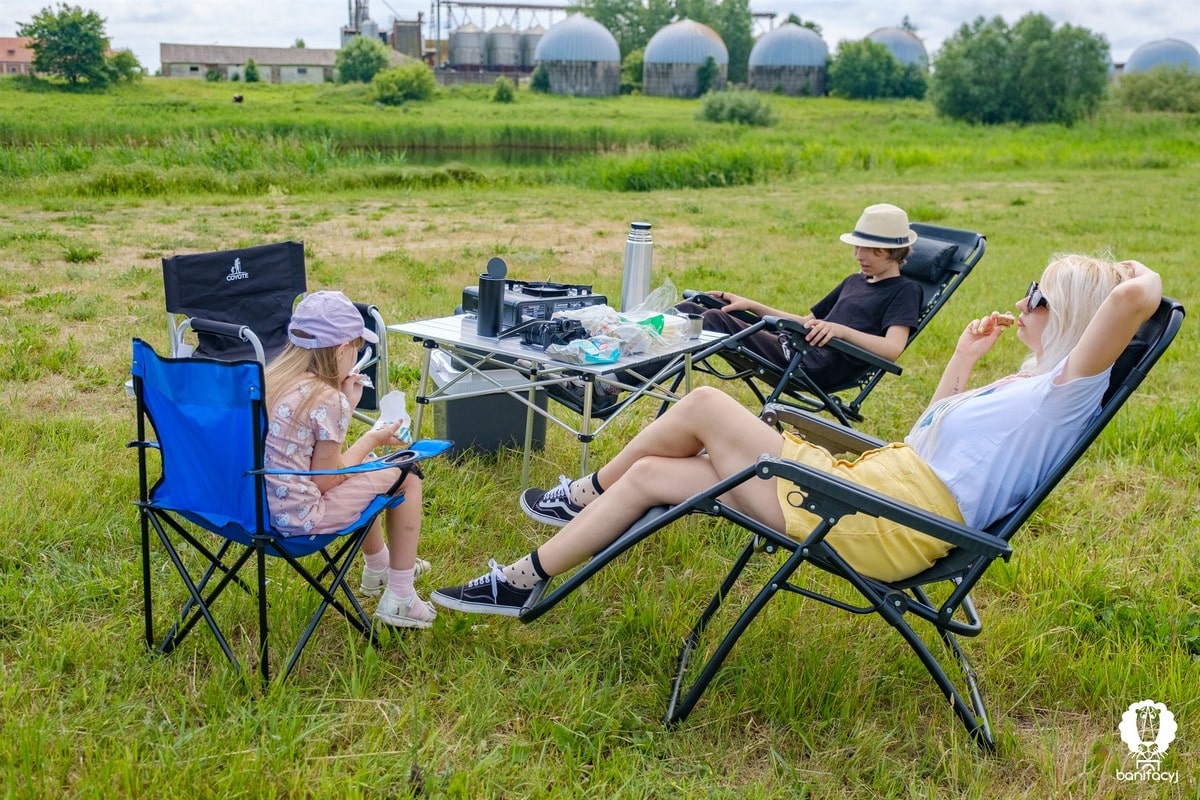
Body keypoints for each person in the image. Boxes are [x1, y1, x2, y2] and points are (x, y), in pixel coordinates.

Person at [430, 256, 1162, 615]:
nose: (1019, 303)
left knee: (709, 405)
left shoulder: (1069, 391)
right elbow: (926, 437)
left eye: (1034, 295)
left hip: (881, 524)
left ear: (1068, 311)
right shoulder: (1029, 383)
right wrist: (965, 362)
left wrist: (1135, 278)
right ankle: (522, 581)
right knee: (657, 477)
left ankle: (580, 492)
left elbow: (1136, 298)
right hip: (875, 489)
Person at [264, 290, 437, 629]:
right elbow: (326, 480)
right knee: (408, 474)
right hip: (299, 521)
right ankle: (400, 596)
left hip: (256, 508)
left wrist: (346, 408)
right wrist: (371, 434)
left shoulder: (272, 381)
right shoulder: (325, 398)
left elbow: (310, 455)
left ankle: (378, 567)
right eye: (356, 350)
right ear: (343, 350)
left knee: (368, 463)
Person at [679, 202, 925, 389]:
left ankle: (642, 375)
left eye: (872, 251)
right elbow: (805, 321)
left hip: (811, 364)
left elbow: (893, 348)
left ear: (894, 252)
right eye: (858, 247)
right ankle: (641, 352)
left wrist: (841, 331)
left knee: (713, 319)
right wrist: (751, 305)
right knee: (697, 307)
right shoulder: (853, 281)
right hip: (792, 345)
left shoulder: (905, 291)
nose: (859, 256)